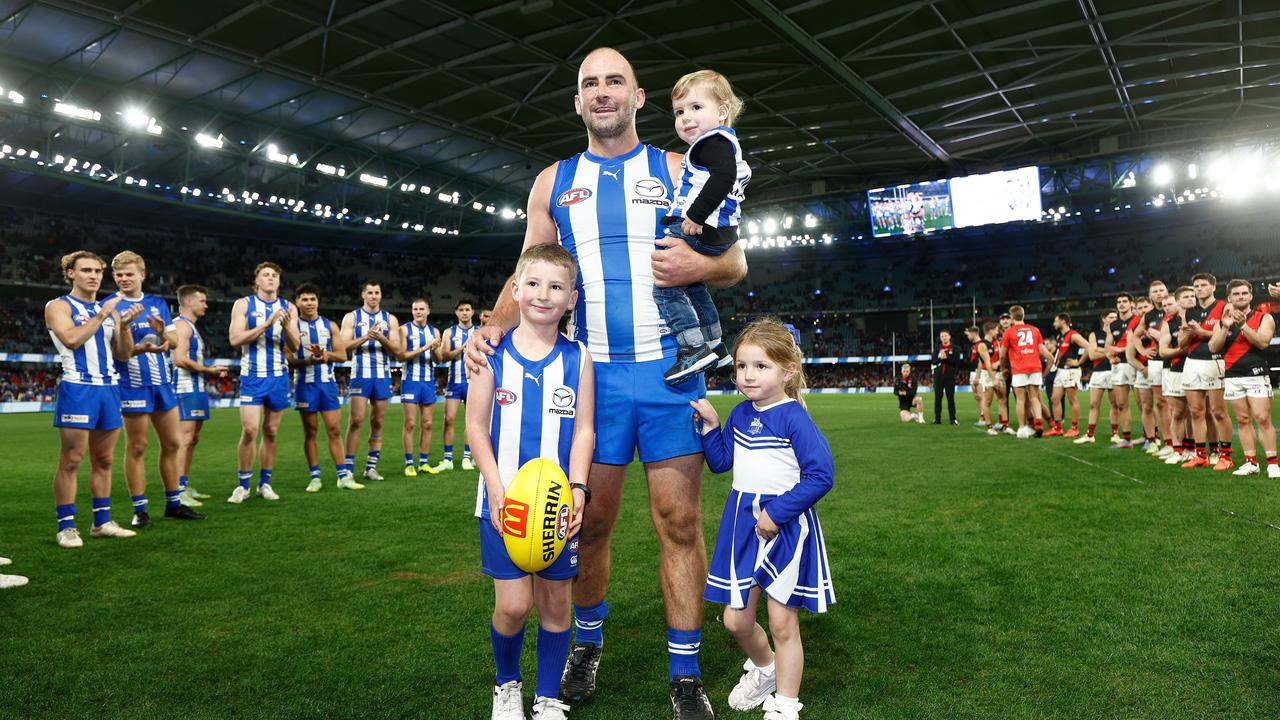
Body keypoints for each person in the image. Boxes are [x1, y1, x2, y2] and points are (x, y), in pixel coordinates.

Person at [465, 47, 748, 719]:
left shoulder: (680, 167)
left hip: (668, 372)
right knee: (588, 523)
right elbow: (525, 272)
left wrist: (698, 268)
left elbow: (734, 259)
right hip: (590, 378)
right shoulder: (552, 183)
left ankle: (685, 674)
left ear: (638, 97)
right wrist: (490, 328)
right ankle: (586, 646)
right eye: (589, 83)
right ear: (577, 101)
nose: (601, 92)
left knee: (679, 520)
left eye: (613, 81)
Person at [466, 245, 595, 720]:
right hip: (503, 503)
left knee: (556, 604)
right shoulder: (490, 353)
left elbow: (584, 430)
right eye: (534, 284)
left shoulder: (578, 357)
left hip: (559, 506)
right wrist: (497, 490)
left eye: (556, 286)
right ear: (516, 290)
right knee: (515, 605)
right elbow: (475, 428)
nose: (544, 295)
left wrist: (579, 488)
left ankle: (546, 696)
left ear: (572, 299)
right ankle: (506, 685)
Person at [690, 319, 835, 720]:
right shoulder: (739, 414)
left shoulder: (794, 418)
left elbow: (822, 475)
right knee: (735, 620)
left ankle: (787, 705)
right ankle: (767, 668)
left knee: (782, 622)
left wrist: (777, 512)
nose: (748, 375)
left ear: (787, 371)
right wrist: (711, 429)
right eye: (741, 366)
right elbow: (722, 463)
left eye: (760, 366)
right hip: (742, 523)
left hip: (784, 526)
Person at [656, 69, 749, 383]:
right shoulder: (725, 143)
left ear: (722, 111)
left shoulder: (712, 142)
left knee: (665, 286)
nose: (685, 117)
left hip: (703, 226)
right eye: (679, 111)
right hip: (723, 230)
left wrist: (693, 216)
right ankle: (715, 345)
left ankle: (691, 347)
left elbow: (723, 178)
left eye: (696, 108)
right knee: (693, 287)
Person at [45, 250, 140, 547]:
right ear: (71, 273)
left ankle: (102, 522)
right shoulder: (58, 306)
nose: (94, 276)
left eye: (98, 271)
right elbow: (71, 339)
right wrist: (102, 314)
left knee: (104, 459)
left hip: (109, 388)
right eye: (86, 270)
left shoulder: (110, 310)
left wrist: (123, 326)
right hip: (78, 387)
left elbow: (124, 355)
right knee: (71, 460)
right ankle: (67, 527)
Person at [110, 251, 206, 526]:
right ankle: (140, 510)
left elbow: (174, 343)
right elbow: (120, 354)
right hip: (132, 385)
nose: (124, 279)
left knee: (173, 443)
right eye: (119, 275)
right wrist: (135, 341)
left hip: (162, 384)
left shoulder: (156, 303)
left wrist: (162, 331)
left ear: (142, 274)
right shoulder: (110, 305)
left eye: (129, 274)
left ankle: (174, 504)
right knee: (137, 447)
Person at [227, 261, 300, 503]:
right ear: (256, 280)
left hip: (278, 376)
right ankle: (243, 485)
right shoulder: (243, 304)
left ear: (279, 282)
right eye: (265, 275)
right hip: (252, 376)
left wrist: (287, 327)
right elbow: (235, 339)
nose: (270, 279)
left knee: (270, 431)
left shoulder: (289, 307)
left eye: (275, 276)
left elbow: (296, 346)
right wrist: (266, 324)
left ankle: (265, 484)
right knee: (250, 430)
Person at [291, 283, 362, 492]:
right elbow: (287, 358)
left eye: (312, 299)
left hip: (327, 384)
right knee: (310, 432)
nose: (309, 303)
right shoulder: (293, 327)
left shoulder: (329, 325)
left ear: (318, 301)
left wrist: (325, 356)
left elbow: (341, 355)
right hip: (304, 385)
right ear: (297, 302)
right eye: (304, 299)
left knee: (334, 429)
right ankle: (315, 477)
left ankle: (343, 476)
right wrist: (308, 361)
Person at [1208, 280, 1277, 477]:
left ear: (1250, 296)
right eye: (1236, 294)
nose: (1240, 296)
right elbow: (1213, 347)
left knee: (1262, 418)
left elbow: (1263, 342)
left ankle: (1272, 463)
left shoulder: (1265, 317)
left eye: (1244, 293)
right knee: (1242, 419)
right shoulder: (1221, 321)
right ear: (1229, 298)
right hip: (1232, 376)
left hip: (1256, 374)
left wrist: (1243, 326)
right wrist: (1224, 327)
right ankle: (1251, 463)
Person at [171, 284, 227, 507]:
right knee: (184, 439)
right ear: (189, 302)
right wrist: (208, 370)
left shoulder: (191, 327)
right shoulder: (181, 327)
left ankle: (184, 484)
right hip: (185, 388)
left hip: (196, 387)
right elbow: (179, 359)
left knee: (193, 439)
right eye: (202, 301)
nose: (206, 305)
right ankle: (177, 490)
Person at [341, 280, 400, 482]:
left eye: (377, 292)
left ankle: (370, 467)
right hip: (360, 375)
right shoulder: (352, 317)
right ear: (363, 295)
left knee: (378, 421)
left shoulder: (389, 319)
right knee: (356, 420)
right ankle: (348, 468)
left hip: (382, 375)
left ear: (381, 295)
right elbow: (342, 346)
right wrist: (366, 336)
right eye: (370, 292)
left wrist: (381, 338)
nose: (374, 296)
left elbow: (397, 350)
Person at [1179, 273, 1232, 470]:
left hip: (1215, 361)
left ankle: (1224, 455)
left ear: (1213, 287)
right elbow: (1182, 343)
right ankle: (1201, 455)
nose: (1199, 289)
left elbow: (1227, 336)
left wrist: (1201, 332)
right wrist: (1187, 334)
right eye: (1196, 286)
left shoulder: (1223, 306)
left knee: (1218, 411)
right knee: (1195, 411)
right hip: (1192, 361)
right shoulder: (1188, 311)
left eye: (1203, 285)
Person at [398, 298, 440, 476]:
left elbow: (439, 359)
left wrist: (436, 349)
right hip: (410, 381)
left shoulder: (435, 331)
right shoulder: (404, 329)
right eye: (415, 309)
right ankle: (409, 463)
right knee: (410, 423)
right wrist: (425, 347)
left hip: (428, 382)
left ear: (428, 311)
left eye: (421, 309)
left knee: (428, 424)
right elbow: (401, 356)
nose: (418, 312)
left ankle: (423, 462)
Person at [434, 301, 476, 472]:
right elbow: (443, 356)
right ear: (456, 313)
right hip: (454, 382)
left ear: (472, 312)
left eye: (467, 309)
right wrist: (462, 348)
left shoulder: (479, 332)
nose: (464, 313)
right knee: (449, 419)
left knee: (470, 422)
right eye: (461, 310)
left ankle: (467, 457)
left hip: (473, 382)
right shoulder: (449, 332)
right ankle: (448, 459)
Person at [1158, 290, 1195, 464]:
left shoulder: (1198, 318)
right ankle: (1178, 449)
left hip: (1197, 369)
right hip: (1176, 370)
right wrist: (1182, 351)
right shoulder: (1169, 324)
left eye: (1170, 303)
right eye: (1186, 296)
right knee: (1178, 413)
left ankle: (1194, 449)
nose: (1167, 307)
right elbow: (1162, 350)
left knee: (1197, 413)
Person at [999, 306, 1046, 439]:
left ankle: (1021, 428)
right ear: (1023, 315)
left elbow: (1002, 355)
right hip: (1035, 366)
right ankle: (1039, 424)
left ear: (1012, 317)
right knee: (1034, 397)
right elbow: (1041, 349)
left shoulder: (1009, 332)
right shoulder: (1035, 330)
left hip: (1019, 368)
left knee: (1020, 399)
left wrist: (1003, 369)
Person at [1103, 293, 1141, 448]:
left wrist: (1120, 349)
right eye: (1119, 302)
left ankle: (1151, 437)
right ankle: (1126, 439)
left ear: (1131, 304)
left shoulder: (1138, 320)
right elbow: (1107, 345)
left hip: (1136, 363)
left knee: (1142, 404)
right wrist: (1110, 357)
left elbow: (1140, 342)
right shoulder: (1113, 325)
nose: (1121, 304)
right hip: (1119, 366)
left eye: (1125, 301)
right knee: (1121, 404)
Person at [1124, 296, 1160, 452]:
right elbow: (1129, 355)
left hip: (1161, 367)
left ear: (1151, 306)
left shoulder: (1160, 322)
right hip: (1144, 370)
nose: (1143, 310)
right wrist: (1142, 368)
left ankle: (1162, 438)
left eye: (1146, 307)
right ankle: (1150, 437)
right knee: (1144, 405)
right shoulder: (1135, 329)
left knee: (1162, 405)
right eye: (1140, 308)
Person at [1049, 313, 1089, 437]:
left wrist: (1079, 361)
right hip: (1061, 371)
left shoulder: (1073, 335)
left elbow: (1088, 346)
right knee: (1055, 399)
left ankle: (1074, 428)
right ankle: (1058, 428)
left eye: (1056, 321)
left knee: (1072, 399)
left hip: (1071, 371)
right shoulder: (1061, 336)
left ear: (1063, 321)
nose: (1054, 324)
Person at [978, 322, 1013, 436]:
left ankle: (1005, 426)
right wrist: (993, 379)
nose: (998, 332)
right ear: (990, 330)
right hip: (988, 374)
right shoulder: (982, 345)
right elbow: (988, 364)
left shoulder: (997, 342)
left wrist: (1000, 367)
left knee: (1002, 399)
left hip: (998, 373)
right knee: (988, 401)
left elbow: (1001, 358)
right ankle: (989, 427)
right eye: (996, 330)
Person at [932, 329, 960, 425]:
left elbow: (957, 362)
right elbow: (933, 361)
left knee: (950, 397)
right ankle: (937, 418)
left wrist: (946, 358)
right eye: (942, 336)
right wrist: (940, 358)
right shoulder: (937, 348)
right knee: (938, 398)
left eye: (945, 336)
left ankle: (953, 419)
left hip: (950, 376)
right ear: (940, 338)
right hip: (938, 376)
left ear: (949, 336)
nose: (944, 338)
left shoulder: (956, 348)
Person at [963, 327, 989, 428]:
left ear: (974, 333)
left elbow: (980, 361)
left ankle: (984, 418)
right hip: (972, 372)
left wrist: (978, 375)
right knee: (977, 396)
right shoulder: (974, 345)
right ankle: (981, 416)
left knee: (981, 396)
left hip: (979, 373)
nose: (968, 337)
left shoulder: (980, 344)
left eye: (969, 334)